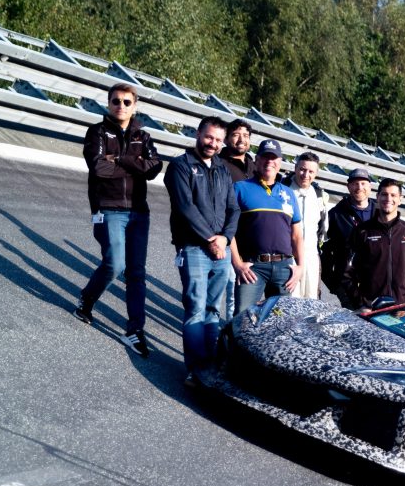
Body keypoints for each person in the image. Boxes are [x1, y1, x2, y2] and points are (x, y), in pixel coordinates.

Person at [74, 81, 164, 357]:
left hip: (139, 211)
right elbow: (99, 167)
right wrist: (133, 164)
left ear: (134, 106)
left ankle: (135, 330)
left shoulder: (143, 136)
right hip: (108, 208)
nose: (121, 106)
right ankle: (87, 300)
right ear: (108, 103)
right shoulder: (97, 132)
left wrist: (120, 159)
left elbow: (154, 169)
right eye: (116, 101)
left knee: (136, 273)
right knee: (114, 264)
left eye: (127, 102)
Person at [164, 116, 238, 385]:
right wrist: (211, 238)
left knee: (213, 311)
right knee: (196, 307)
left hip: (221, 249)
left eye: (219, 140)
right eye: (209, 137)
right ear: (198, 134)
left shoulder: (222, 168)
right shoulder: (180, 166)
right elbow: (185, 208)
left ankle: (213, 365)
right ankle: (196, 369)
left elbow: (234, 208)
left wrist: (226, 239)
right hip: (194, 247)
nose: (213, 144)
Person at [230, 139, 303, 314]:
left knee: (281, 322)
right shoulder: (240, 188)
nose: (269, 162)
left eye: (274, 158)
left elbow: (297, 236)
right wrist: (237, 263)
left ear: (280, 162)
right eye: (265, 157)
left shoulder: (288, 193)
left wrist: (300, 267)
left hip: (284, 267)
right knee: (243, 317)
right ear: (257, 160)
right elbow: (228, 229)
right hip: (253, 267)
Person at [343, 179, 405, 313]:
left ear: (400, 199)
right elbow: (347, 272)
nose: (388, 199)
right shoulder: (362, 231)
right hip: (370, 310)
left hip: (401, 311)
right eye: (384, 194)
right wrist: (361, 303)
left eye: (393, 195)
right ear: (377, 197)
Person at [320, 167, 375, 298]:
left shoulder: (381, 213)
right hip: (348, 285)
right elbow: (324, 250)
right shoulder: (335, 214)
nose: (359, 187)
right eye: (355, 183)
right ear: (348, 187)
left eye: (363, 183)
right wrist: (332, 282)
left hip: (376, 283)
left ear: (370, 186)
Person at [286, 152, 329, 299]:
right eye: (302, 169)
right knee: (290, 301)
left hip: (311, 255)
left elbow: (323, 227)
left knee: (312, 300)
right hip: (288, 255)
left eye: (311, 171)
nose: (306, 174)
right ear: (296, 168)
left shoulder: (318, 195)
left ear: (316, 173)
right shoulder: (283, 189)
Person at [221, 119, 254, 183]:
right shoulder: (218, 164)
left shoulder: (254, 167)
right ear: (225, 140)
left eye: (245, 136)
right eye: (236, 135)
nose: (241, 140)